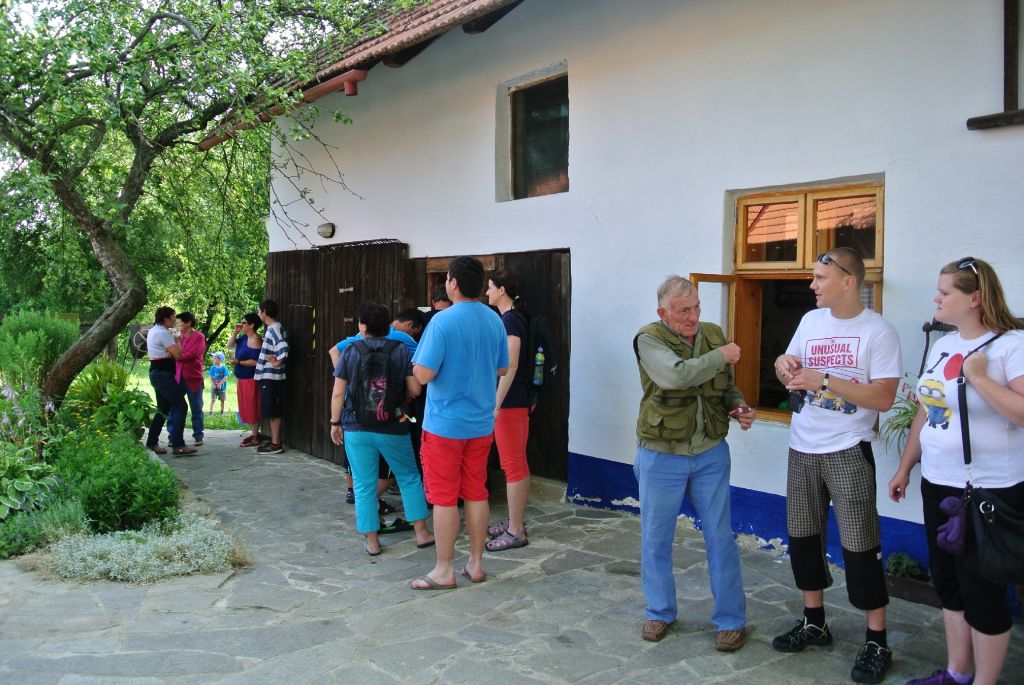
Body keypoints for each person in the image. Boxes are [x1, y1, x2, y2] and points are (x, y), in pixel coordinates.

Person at [887, 257, 1024, 685]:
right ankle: (957, 673)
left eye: (945, 292)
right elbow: (925, 410)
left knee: (982, 590)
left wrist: (980, 379)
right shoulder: (945, 344)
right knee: (949, 583)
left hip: (987, 490)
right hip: (939, 483)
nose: (936, 298)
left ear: (975, 298)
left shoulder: (1011, 345)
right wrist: (906, 466)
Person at [772, 247, 902, 684]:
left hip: (848, 447)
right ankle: (815, 622)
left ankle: (877, 641)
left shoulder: (878, 331)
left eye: (820, 278)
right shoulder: (811, 321)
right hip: (802, 446)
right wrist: (784, 365)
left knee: (861, 545)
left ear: (849, 281)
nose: (812, 285)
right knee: (803, 537)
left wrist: (825, 379)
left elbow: (884, 398)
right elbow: (789, 370)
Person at [632, 275, 753, 652]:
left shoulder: (713, 334)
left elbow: (724, 385)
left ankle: (731, 620)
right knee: (656, 537)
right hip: (660, 454)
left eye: (696, 307)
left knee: (720, 537)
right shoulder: (648, 338)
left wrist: (737, 405)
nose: (693, 316)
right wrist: (722, 355)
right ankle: (659, 611)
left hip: (710, 453)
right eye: (683, 310)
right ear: (662, 313)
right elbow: (675, 376)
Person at [409, 256, 508, 589]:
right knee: (476, 493)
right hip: (480, 424)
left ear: (452, 282)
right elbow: (502, 367)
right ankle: (476, 564)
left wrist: (419, 367)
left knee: (444, 497)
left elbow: (424, 374)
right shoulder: (494, 320)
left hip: (444, 426)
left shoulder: (442, 321)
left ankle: (444, 569)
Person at [329, 303, 435, 556]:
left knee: (363, 484)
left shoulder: (351, 350)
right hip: (393, 425)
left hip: (356, 426)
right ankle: (421, 533)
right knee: (409, 477)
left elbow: (338, 392)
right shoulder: (400, 349)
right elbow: (415, 389)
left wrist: (335, 423)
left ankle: (373, 542)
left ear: (363, 326)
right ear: (388, 326)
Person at [483, 270, 533, 552]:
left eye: (490, 287)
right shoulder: (512, 318)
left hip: (510, 403)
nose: (487, 293)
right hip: (515, 401)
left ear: (502, 290)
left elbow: (510, 365)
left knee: (513, 465)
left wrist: (496, 404)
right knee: (516, 463)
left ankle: (516, 531)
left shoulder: (510, 319)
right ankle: (515, 521)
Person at [144, 306, 195, 456]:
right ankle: (178, 445)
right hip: (163, 375)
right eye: (173, 317)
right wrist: (177, 340)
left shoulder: (154, 330)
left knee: (163, 409)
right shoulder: (163, 333)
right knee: (181, 406)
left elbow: (163, 352)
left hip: (157, 372)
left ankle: (151, 442)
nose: (174, 320)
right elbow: (179, 355)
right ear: (165, 319)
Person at [167, 311, 206, 447]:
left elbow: (194, 353)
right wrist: (174, 353)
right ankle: (173, 436)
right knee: (174, 408)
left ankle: (198, 436)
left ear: (188, 323)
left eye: (180, 323)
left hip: (193, 377)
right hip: (178, 377)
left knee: (196, 408)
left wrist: (177, 356)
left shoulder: (199, 337)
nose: (178, 326)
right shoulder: (178, 337)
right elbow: (171, 351)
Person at [255, 299, 288, 454]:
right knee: (273, 409)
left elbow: (283, 348)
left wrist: (276, 362)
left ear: (265, 312)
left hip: (271, 377)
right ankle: (275, 441)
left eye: (259, 311)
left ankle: (275, 444)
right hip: (273, 377)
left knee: (272, 410)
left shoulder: (273, 329)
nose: (258, 314)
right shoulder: (276, 327)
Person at [228, 313, 263, 447]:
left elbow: (256, 362)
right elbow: (229, 346)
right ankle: (254, 434)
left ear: (252, 325)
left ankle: (255, 437)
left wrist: (238, 362)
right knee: (245, 408)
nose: (241, 324)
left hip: (250, 379)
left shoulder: (256, 339)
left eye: (244, 323)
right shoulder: (244, 337)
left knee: (251, 407)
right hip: (241, 378)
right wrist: (235, 333)